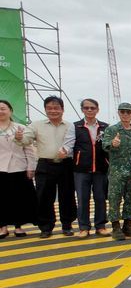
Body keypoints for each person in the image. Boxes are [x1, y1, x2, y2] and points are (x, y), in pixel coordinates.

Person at [18, 96, 77, 238]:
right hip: (45, 164)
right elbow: (26, 140)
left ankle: (67, 225)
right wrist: (19, 137)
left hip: (66, 165)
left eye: (56, 108)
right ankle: (46, 227)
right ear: (45, 109)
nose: (53, 111)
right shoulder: (36, 125)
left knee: (67, 195)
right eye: (49, 108)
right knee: (44, 196)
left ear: (62, 109)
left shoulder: (70, 126)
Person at [62, 98, 110, 238]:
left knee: (100, 198)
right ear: (82, 110)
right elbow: (69, 143)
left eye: (92, 108)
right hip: (81, 169)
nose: (89, 110)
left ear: (97, 110)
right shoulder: (75, 126)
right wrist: (64, 150)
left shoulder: (105, 127)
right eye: (86, 108)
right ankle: (83, 227)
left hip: (100, 169)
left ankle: (100, 226)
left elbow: (108, 146)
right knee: (83, 199)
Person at [102, 102, 131, 241]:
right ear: (119, 113)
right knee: (114, 199)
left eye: (128, 112)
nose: (125, 114)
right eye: (123, 112)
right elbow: (104, 145)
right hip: (117, 172)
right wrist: (113, 143)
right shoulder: (112, 130)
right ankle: (115, 227)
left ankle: (128, 225)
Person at [0, 100, 37, 238]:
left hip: (19, 167)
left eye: (3, 108)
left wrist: (31, 167)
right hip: (0, 168)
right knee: (1, 198)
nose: (1, 111)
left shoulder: (20, 127)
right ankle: (2, 226)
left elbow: (29, 149)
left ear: (10, 111)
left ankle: (18, 226)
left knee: (19, 198)